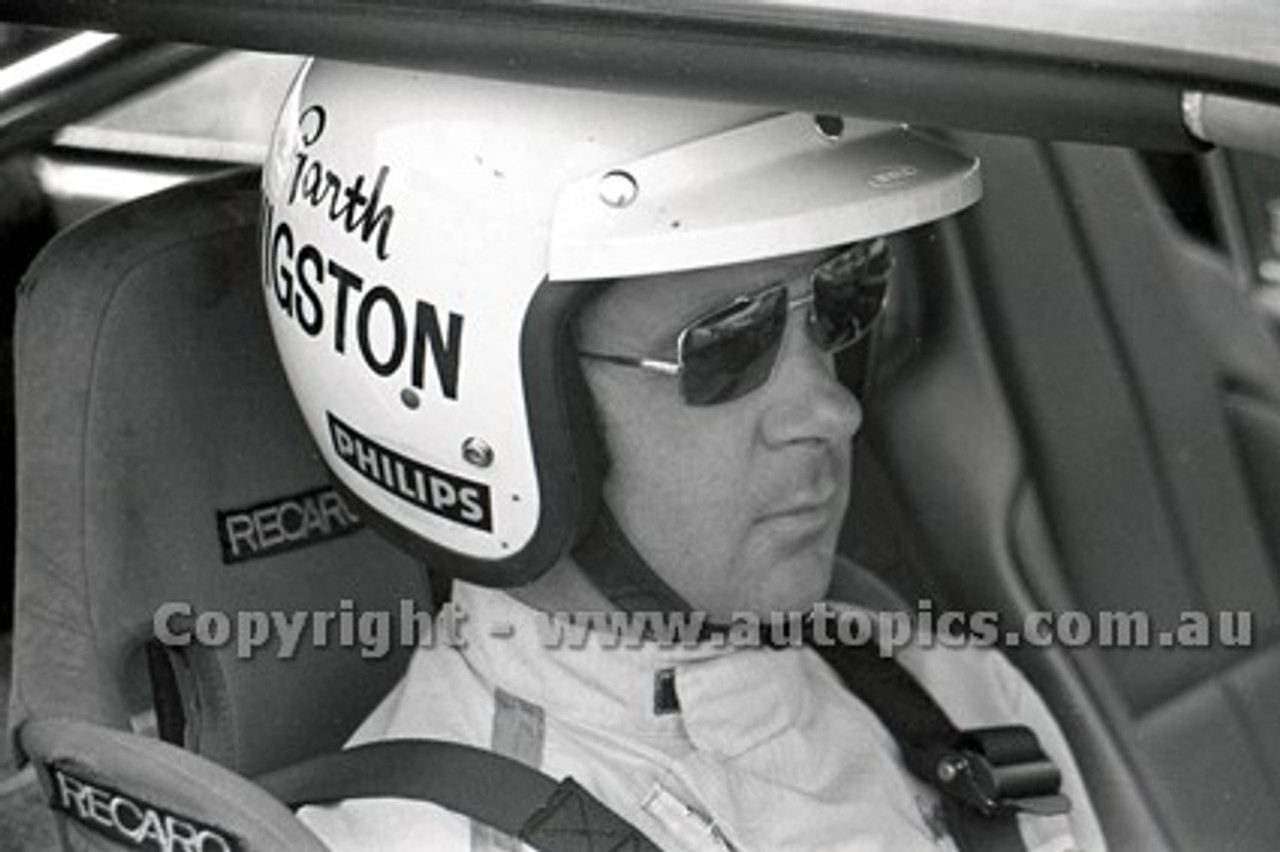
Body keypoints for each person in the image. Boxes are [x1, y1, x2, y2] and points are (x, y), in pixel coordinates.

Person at [261, 59, 1106, 851]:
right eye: (727, 345)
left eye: (847, 295)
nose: (832, 411)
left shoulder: (954, 697)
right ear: (493, 402)